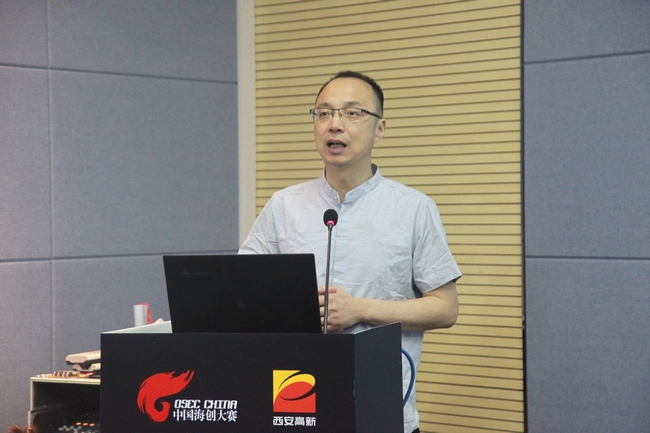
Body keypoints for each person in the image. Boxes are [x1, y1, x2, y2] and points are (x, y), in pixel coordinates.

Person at [239, 70, 461, 433]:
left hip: (381, 404)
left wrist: (361, 309)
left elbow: (445, 308)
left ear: (380, 129)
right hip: (293, 401)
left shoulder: (413, 208)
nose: (335, 124)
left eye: (352, 113)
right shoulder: (284, 206)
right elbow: (241, 293)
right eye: (324, 113)